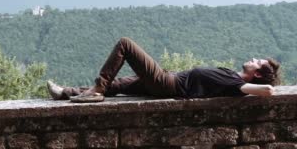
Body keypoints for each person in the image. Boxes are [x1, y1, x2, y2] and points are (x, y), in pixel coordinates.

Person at [47, 37, 280, 103]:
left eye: (257, 61)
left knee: (125, 45)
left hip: (168, 84)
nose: (252, 59)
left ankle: (97, 89)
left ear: (257, 73)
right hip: (169, 79)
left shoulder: (236, 84)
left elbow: (267, 91)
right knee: (116, 85)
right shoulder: (232, 75)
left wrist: (266, 85)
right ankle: (65, 93)